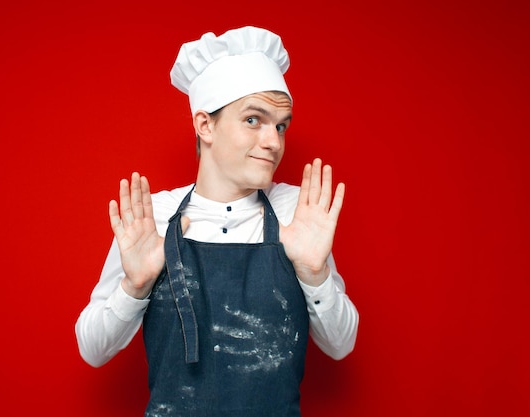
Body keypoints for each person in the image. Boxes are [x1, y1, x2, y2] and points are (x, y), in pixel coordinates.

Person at [75, 25, 359, 416]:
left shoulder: (297, 212)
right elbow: (91, 349)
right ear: (205, 125)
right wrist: (134, 285)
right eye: (253, 120)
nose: (274, 142)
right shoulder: (155, 217)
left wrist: (314, 273)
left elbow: (341, 345)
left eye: (280, 125)